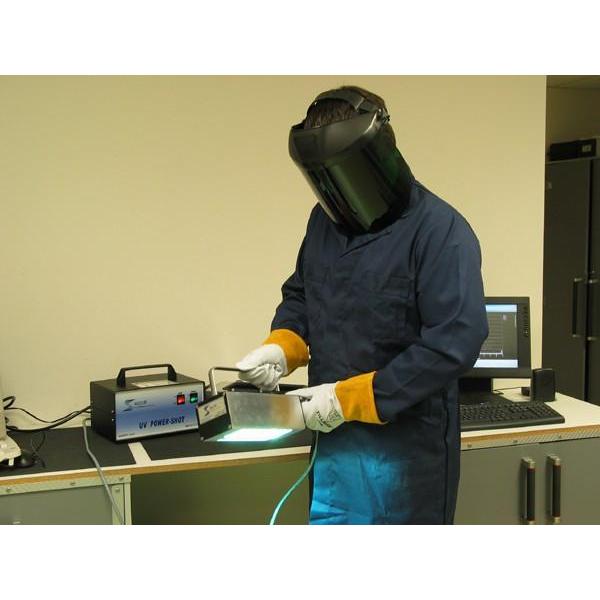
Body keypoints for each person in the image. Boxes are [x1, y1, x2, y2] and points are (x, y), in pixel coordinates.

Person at [236, 85, 488, 524]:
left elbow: (454, 342)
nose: (338, 193)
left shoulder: (440, 231)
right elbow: (302, 293)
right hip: (333, 448)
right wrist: (282, 346)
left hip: (406, 457)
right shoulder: (324, 223)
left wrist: (350, 400)